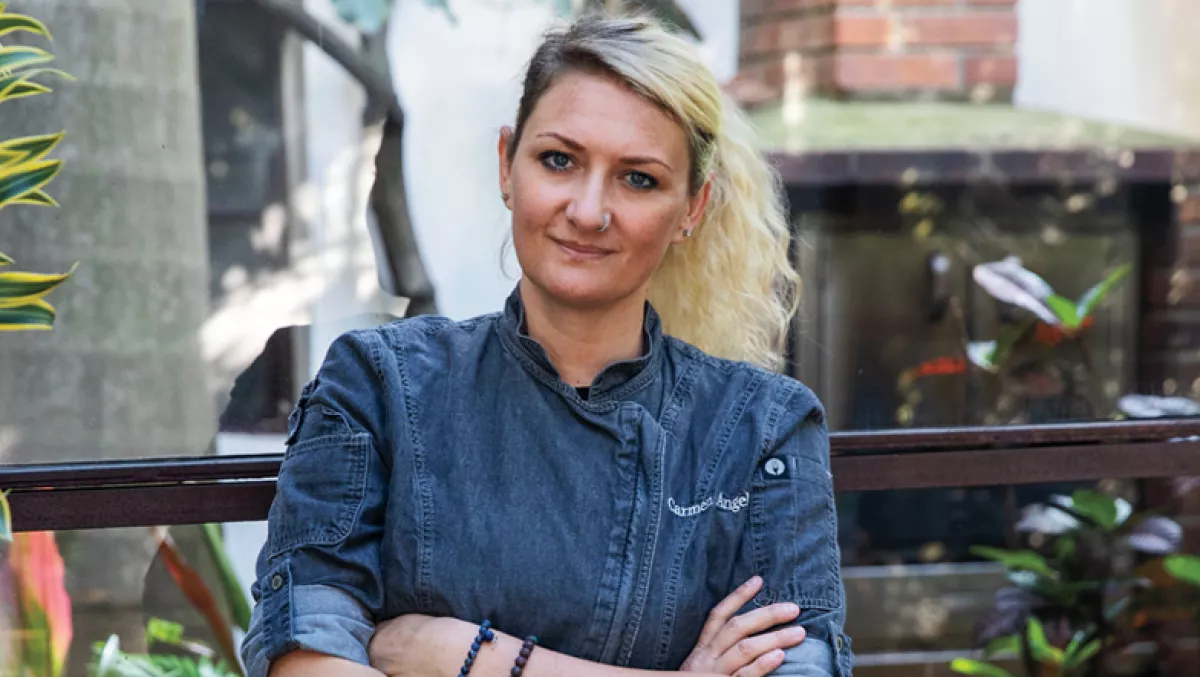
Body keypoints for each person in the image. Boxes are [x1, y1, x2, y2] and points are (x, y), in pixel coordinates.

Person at [240, 14, 853, 677]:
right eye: (559, 160)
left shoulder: (764, 427)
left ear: (692, 208)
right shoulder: (379, 385)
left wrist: (462, 655)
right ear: (507, 165)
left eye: (638, 178)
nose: (589, 211)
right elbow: (306, 663)